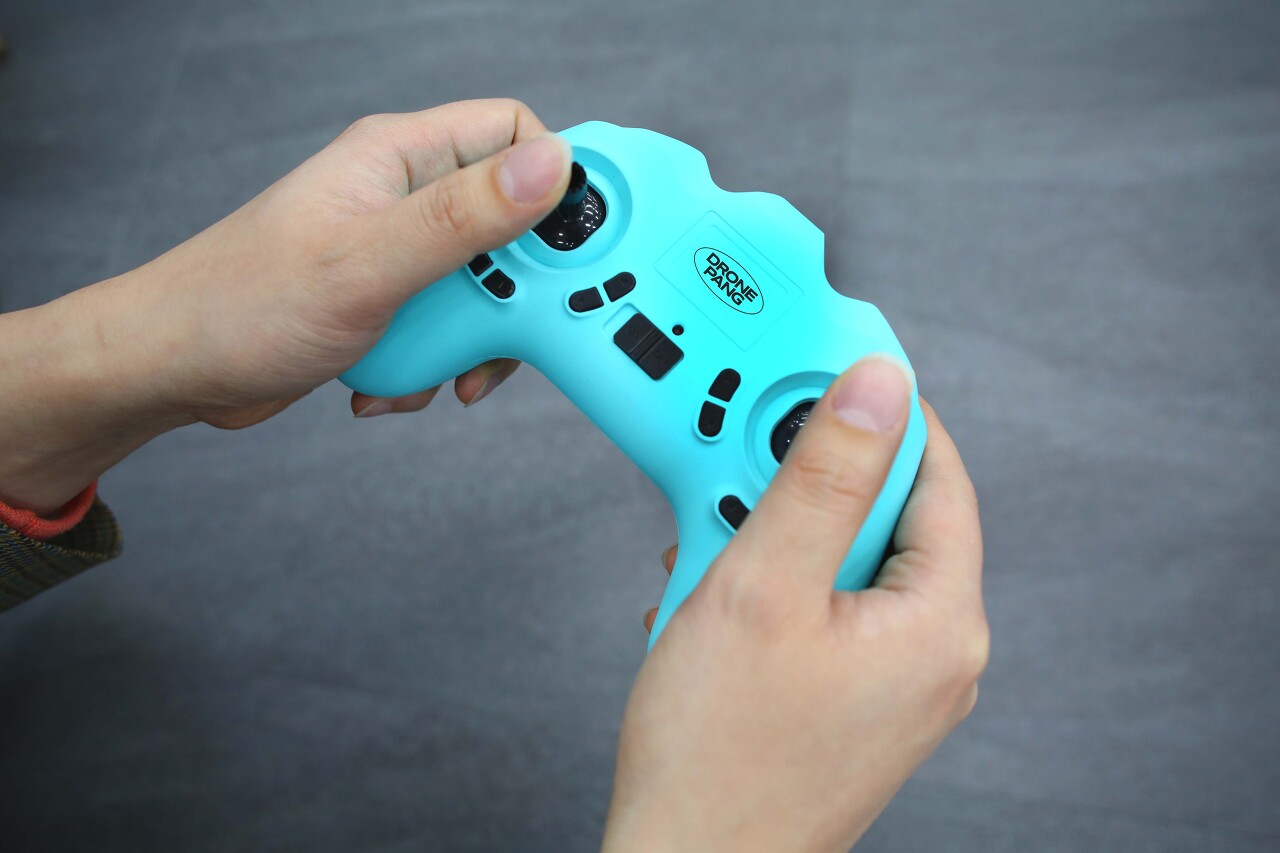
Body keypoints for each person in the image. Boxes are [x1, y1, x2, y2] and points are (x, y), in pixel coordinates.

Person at [0, 99, 987, 851]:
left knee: (395, 350)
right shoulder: (585, 193)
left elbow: (384, 356)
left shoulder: (585, 203)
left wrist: (133, 348)